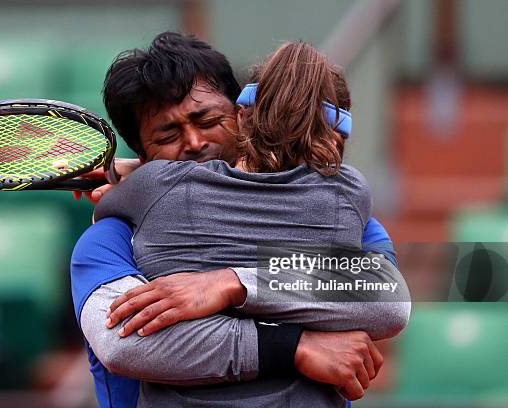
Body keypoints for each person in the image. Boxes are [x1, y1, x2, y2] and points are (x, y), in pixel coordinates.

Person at [71, 32, 408, 408]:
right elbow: (127, 343)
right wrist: (295, 347)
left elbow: (386, 300)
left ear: (241, 115)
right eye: (168, 134)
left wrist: (232, 283)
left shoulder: (346, 212)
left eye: (208, 119)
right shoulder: (106, 241)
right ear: (143, 152)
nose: (195, 142)